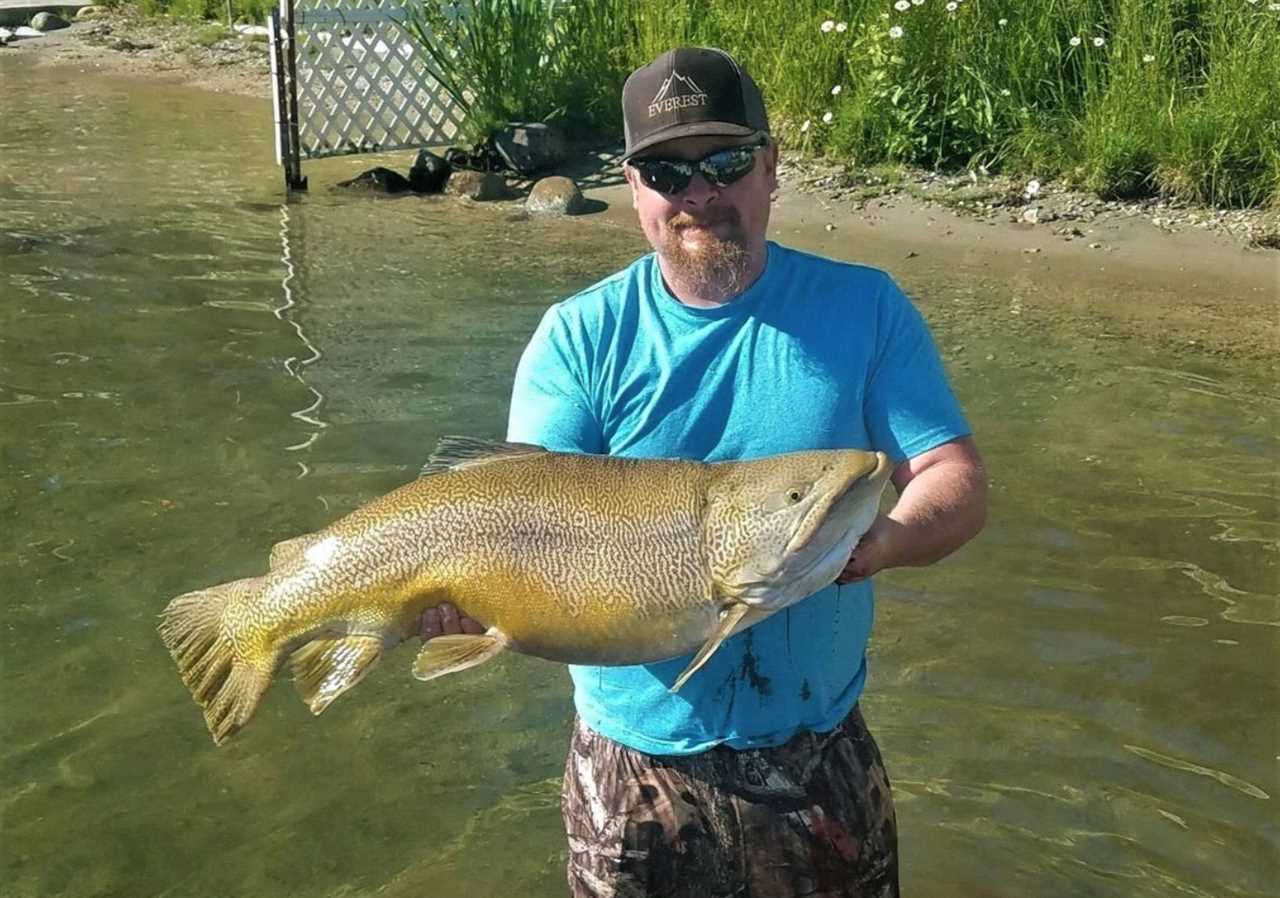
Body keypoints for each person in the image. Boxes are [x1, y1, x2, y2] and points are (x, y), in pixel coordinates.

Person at [422, 47, 987, 898]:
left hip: (820, 760)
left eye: (724, 163)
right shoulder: (578, 337)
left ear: (770, 167)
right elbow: (522, 517)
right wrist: (472, 607)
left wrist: (877, 545)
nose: (698, 194)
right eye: (665, 170)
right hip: (630, 773)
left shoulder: (866, 308)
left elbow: (954, 476)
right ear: (632, 184)